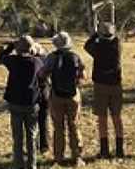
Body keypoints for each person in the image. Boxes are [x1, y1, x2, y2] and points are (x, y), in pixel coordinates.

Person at [39, 31, 86, 167]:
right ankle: (77, 157)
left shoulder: (51, 57)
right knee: (74, 125)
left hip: (56, 95)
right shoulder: (76, 56)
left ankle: (58, 158)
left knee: (58, 127)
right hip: (73, 95)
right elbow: (83, 76)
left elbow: (42, 73)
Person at [0, 35, 43, 169]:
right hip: (31, 101)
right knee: (32, 136)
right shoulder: (36, 62)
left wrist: (11, 46)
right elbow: (43, 59)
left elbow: (1, 58)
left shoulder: (12, 61)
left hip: (15, 101)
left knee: (17, 137)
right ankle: (32, 164)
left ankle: (18, 163)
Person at [84, 22, 124, 159]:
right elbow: (117, 37)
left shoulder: (98, 47)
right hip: (116, 85)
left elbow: (86, 46)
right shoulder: (117, 45)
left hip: (100, 85)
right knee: (117, 117)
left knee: (102, 118)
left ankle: (104, 150)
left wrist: (95, 34)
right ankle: (119, 150)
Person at [33, 42, 51, 154]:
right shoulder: (45, 60)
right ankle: (44, 145)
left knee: (31, 122)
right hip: (44, 92)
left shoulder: (29, 61)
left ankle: (33, 145)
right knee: (43, 120)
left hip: (32, 94)